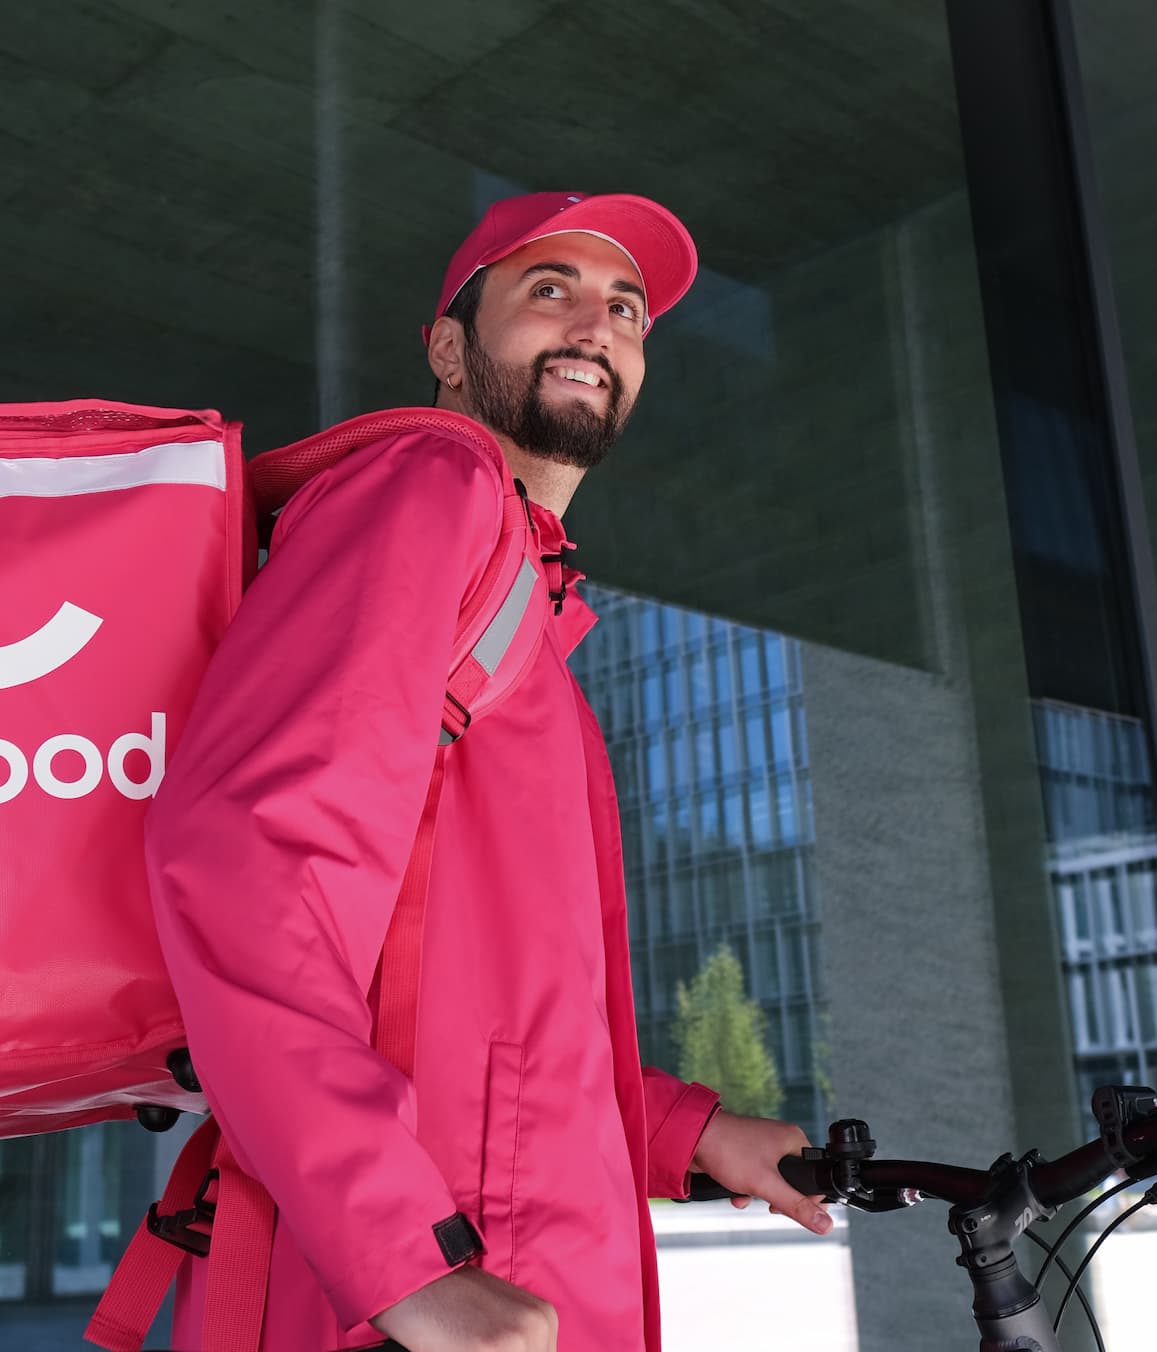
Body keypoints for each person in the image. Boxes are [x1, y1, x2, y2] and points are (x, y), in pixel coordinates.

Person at [145, 191, 832, 1352]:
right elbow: (249, 859)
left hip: (506, 1269)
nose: (595, 324)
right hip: (428, 1289)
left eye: (625, 308)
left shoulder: (531, 614)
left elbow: (487, 999)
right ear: (448, 349)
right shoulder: (428, 487)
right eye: (546, 289)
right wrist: (399, 1261)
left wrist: (677, 1128)